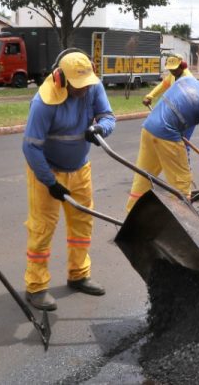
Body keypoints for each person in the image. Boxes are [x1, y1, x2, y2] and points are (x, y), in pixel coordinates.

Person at [22, 50, 116, 311]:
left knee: (82, 223)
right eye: (77, 87)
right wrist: (49, 182)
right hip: (46, 171)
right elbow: (31, 147)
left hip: (80, 168)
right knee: (42, 229)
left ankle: (79, 274)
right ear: (61, 78)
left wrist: (100, 129)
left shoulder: (91, 87)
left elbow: (108, 116)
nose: (83, 91)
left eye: (86, 85)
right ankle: (36, 287)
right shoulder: (43, 102)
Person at [125, 71, 199, 213]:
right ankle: (180, 226)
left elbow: (181, 128)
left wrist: (185, 154)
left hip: (148, 129)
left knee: (144, 177)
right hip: (167, 137)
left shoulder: (186, 80)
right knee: (181, 184)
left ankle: (131, 218)